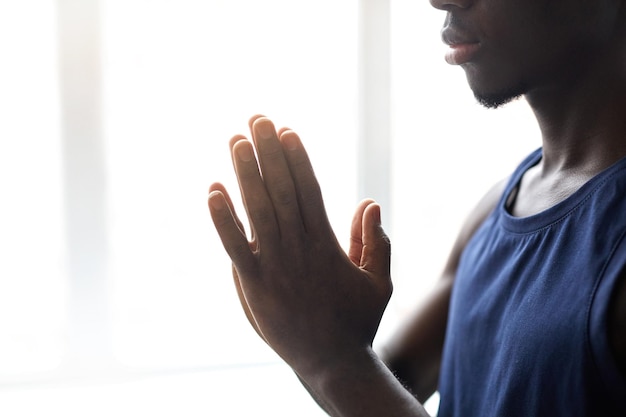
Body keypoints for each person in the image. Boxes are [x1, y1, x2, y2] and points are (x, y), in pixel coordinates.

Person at [208, 0, 626, 415]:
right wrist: (308, 327)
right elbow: (380, 379)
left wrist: (333, 360)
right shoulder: (496, 211)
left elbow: (352, 373)